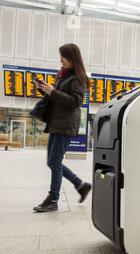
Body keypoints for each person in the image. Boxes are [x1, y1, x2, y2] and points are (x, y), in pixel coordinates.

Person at [33, 43, 92, 212]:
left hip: (66, 124)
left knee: (54, 162)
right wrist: (45, 89)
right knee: (53, 162)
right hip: (57, 123)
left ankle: (53, 200)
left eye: (64, 57)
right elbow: (57, 98)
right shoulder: (64, 75)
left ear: (73, 58)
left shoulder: (78, 78)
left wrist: (53, 91)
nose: (61, 60)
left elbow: (75, 102)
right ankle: (80, 185)